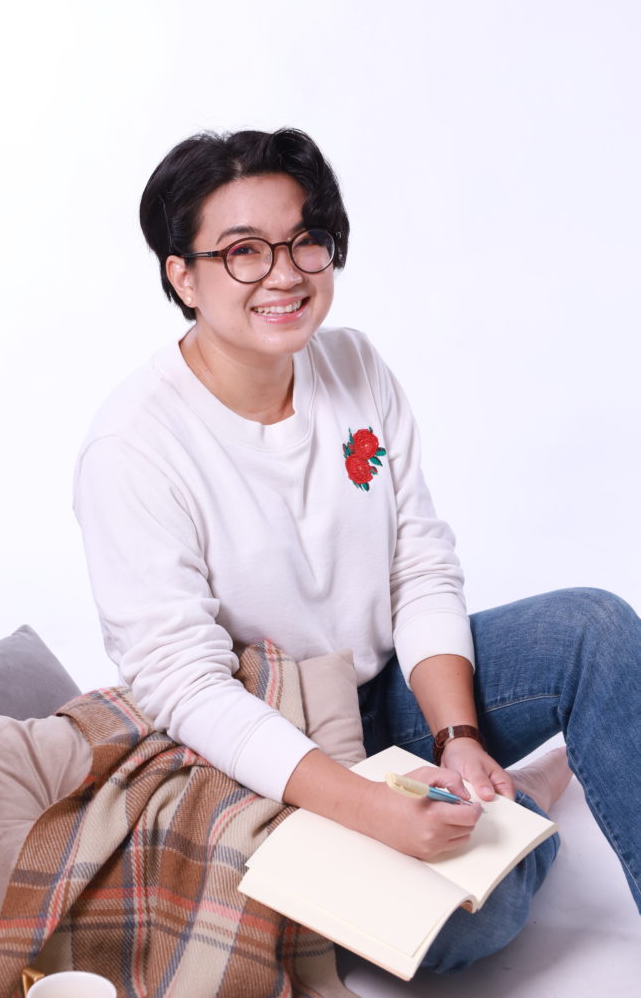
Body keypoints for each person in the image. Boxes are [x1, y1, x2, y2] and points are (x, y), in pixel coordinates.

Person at [73, 128, 640, 974]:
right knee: (463, 928)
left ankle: (486, 783)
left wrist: (455, 733)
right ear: (180, 274)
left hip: (391, 697)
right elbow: (186, 685)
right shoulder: (132, 447)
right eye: (242, 251)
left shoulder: (353, 364)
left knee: (594, 625)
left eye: (306, 239)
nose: (285, 272)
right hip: (271, 742)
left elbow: (418, 561)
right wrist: (367, 810)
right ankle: (535, 792)